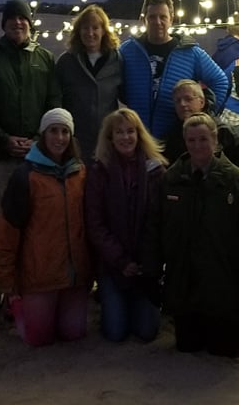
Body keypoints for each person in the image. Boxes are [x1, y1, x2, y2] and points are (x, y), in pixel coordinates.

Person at [145, 112, 239, 356]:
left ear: (215, 140)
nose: (197, 146)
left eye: (203, 139)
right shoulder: (172, 179)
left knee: (225, 348)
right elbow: (155, 228)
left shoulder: (235, 180)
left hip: (223, 281)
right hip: (185, 283)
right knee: (188, 345)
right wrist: (151, 273)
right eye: (191, 140)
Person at [0, 0, 60, 323]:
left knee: (31, 228)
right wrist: (3, 139)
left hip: (35, 159)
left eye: (23, 19)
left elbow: (54, 101)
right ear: (3, 23)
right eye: (12, 19)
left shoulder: (44, 59)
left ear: (30, 23)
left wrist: (38, 138)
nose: (18, 24)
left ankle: (21, 290)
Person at [0, 108, 92, 347]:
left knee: (73, 332)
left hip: (74, 274)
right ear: (43, 134)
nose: (59, 138)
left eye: (65, 132)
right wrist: (7, 280)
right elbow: (8, 230)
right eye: (53, 131)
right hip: (39, 274)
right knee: (38, 338)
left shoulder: (80, 172)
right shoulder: (25, 176)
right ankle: (16, 304)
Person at [85, 108, 166, 342]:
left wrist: (146, 261)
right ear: (110, 138)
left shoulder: (156, 170)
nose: (125, 137)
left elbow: (159, 220)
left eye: (130, 131)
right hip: (113, 265)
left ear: (139, 134)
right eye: (119, 132)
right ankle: (109, 297)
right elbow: (95, 224)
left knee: (146, 331)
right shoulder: (99, 172)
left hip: (145, 265)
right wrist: (121, 261)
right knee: (115, 332)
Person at [119, 0, 230, 140]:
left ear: (171, 19)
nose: (157, 22)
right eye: (152, 17)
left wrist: (203, 115)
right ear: (143, 19)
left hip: (177, 139)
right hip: (137, 138)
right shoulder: (127, 51)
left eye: (163, 17)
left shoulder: (190, 52)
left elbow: (220, 81)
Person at [56, 4, 121, 161]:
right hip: (74, 141)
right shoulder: (66, 61)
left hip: (107, 141)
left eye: (95, 28)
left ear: (104, 30)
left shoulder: (117, 60)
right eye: (85, 28)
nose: (90, 33)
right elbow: (56, 99)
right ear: (78, 31)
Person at [164, 78, 239, 180]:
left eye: (188, 99)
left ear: (202, 102)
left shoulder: (223, 132)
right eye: (178, 101)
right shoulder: (173, 137)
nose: (182, 104)